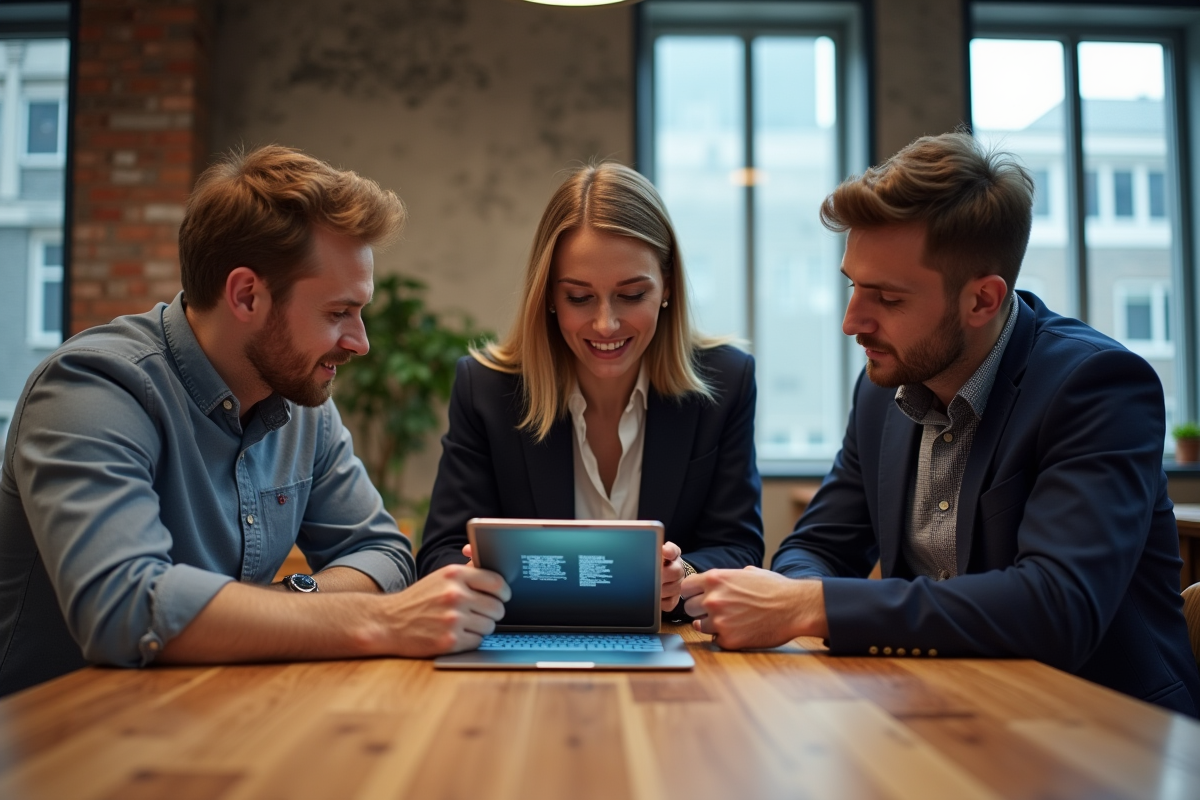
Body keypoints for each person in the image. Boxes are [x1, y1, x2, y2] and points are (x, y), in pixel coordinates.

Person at [680, 132, 1200, 716]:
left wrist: (810, 606)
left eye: (888, 299)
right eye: (853, 286)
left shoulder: (1097, 386)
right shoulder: (884, 390)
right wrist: (799, 591)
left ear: (982, 300)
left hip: (1106, 733)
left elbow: (1058, 606)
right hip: (941, 712)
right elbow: (819, 545)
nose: (852, 322)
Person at [0, 145, 511, 697]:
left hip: (212, 721)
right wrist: (380, 621)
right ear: (247, 295)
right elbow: (127, 609)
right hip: (58, 747)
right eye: (339, 312)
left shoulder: (300, 404)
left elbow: (384, 557)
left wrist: (276, 606)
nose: (361, 342)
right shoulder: (92, 387)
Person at [417, 162, 764, 614]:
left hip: (671, 643)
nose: (606, 324)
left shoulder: (726, 381)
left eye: (631, 294)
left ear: (667, 286)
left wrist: (685, 578)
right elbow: (440, 552)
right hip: (525, 642)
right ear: (549, 297)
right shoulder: (485, 388)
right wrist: (470, 579)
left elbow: (738, 546)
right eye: (579, 298)